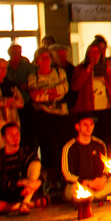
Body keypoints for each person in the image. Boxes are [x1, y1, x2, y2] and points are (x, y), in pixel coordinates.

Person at [28, 47, 70, 188]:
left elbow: (64, 90)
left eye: (47, 57)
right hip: (42, 115)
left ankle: (66, 175)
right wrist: (53, 91)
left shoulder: (60, 72)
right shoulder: (33, 76)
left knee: (63, 144)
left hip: (60, 114)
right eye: (42, 58)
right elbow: (34, 96)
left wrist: (44, 92)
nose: (45, 61)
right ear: (37, 61)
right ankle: (50, 179)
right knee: (45, 145)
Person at [62, 115, 111, 203]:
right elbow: (67, 175)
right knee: (75, 189)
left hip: (97, 185)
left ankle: (93, 197)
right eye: (85, 125)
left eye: (91, 124)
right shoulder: (69, 147)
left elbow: (106, 167)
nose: (88, 128)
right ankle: (95, 197)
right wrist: (88, 183)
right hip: (80, 185)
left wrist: (103, 179)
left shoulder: (99, 144)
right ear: (77, 127)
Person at [72, 42, 111, 143]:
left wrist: (110, 74)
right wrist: (87, 72)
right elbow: (75, 87)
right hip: (88, 109)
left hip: (106, 109)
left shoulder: (105, 67)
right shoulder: (80, 69)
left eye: (97, 52)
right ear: (87, 53)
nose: (94, 54)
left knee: (108, 139)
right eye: (92, 52)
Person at [0, 58, 24, 152]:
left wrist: (6, 102)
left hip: (12, 121)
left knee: (13, 150)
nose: (3, 71)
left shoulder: (11, 85)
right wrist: (7, 101)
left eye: (5, 68)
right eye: (0, 68)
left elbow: (21, 102)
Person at [5, 44, 37, 150]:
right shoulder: (5, 67)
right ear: (9, 54)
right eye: (13, 53)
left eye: (18, 52)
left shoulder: (28, 67)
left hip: (27, 104)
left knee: (29, 133)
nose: (16, 55)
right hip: (12, 106)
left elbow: (34, 84)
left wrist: (27, 86)